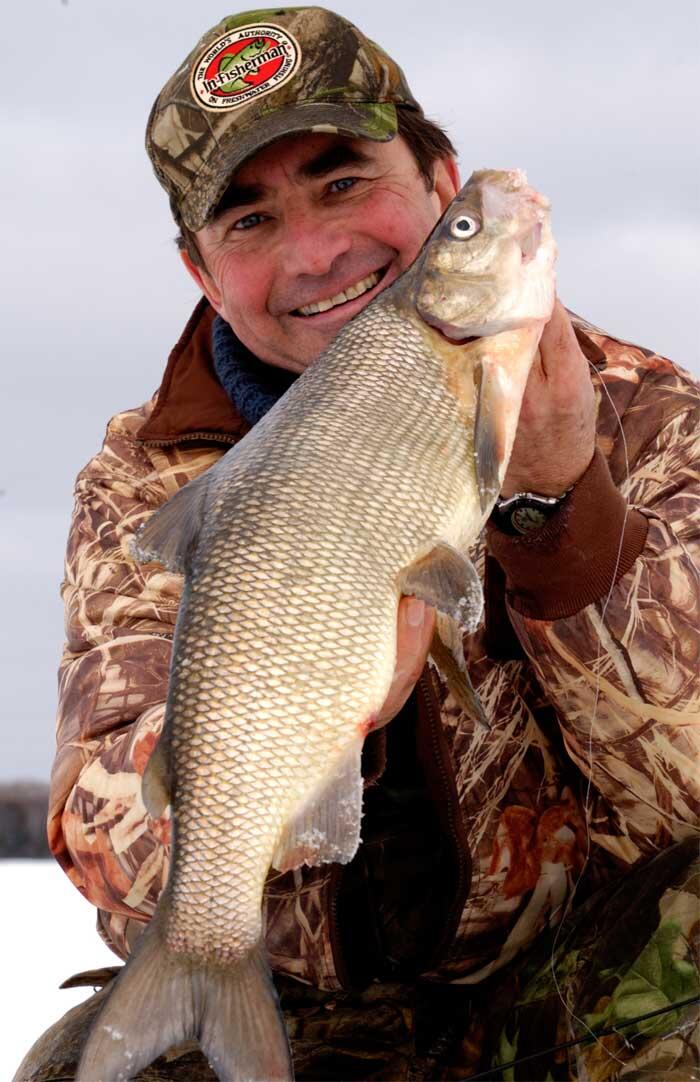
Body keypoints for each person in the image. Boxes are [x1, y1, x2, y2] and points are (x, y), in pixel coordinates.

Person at [17, 7, 700, 1081]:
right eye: (248, 220)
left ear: (440, 180)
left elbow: (689, 791)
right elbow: (103, 818)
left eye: (344, 183)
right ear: (201, 272)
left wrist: (561, 511)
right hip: (319, 1014)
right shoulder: (143, 480)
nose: (316, 251)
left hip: (582, 984)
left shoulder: (639, 410)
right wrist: (309, 729)